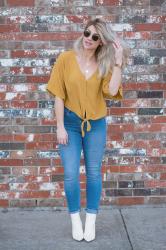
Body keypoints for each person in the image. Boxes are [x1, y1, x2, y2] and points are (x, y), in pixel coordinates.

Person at [46, 17, 129, 242]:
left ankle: (90, 219)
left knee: (93, 172)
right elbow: (58, 95)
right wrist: (60, 127)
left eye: (95, 37)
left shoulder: (104, 65)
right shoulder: (65, 59)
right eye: (87, 33)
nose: (89, 39)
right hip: (70, 125)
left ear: (101, 41)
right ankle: (75, 219)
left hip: (96, 124)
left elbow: (112, 92)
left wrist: (118, 63)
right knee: (71, 174)